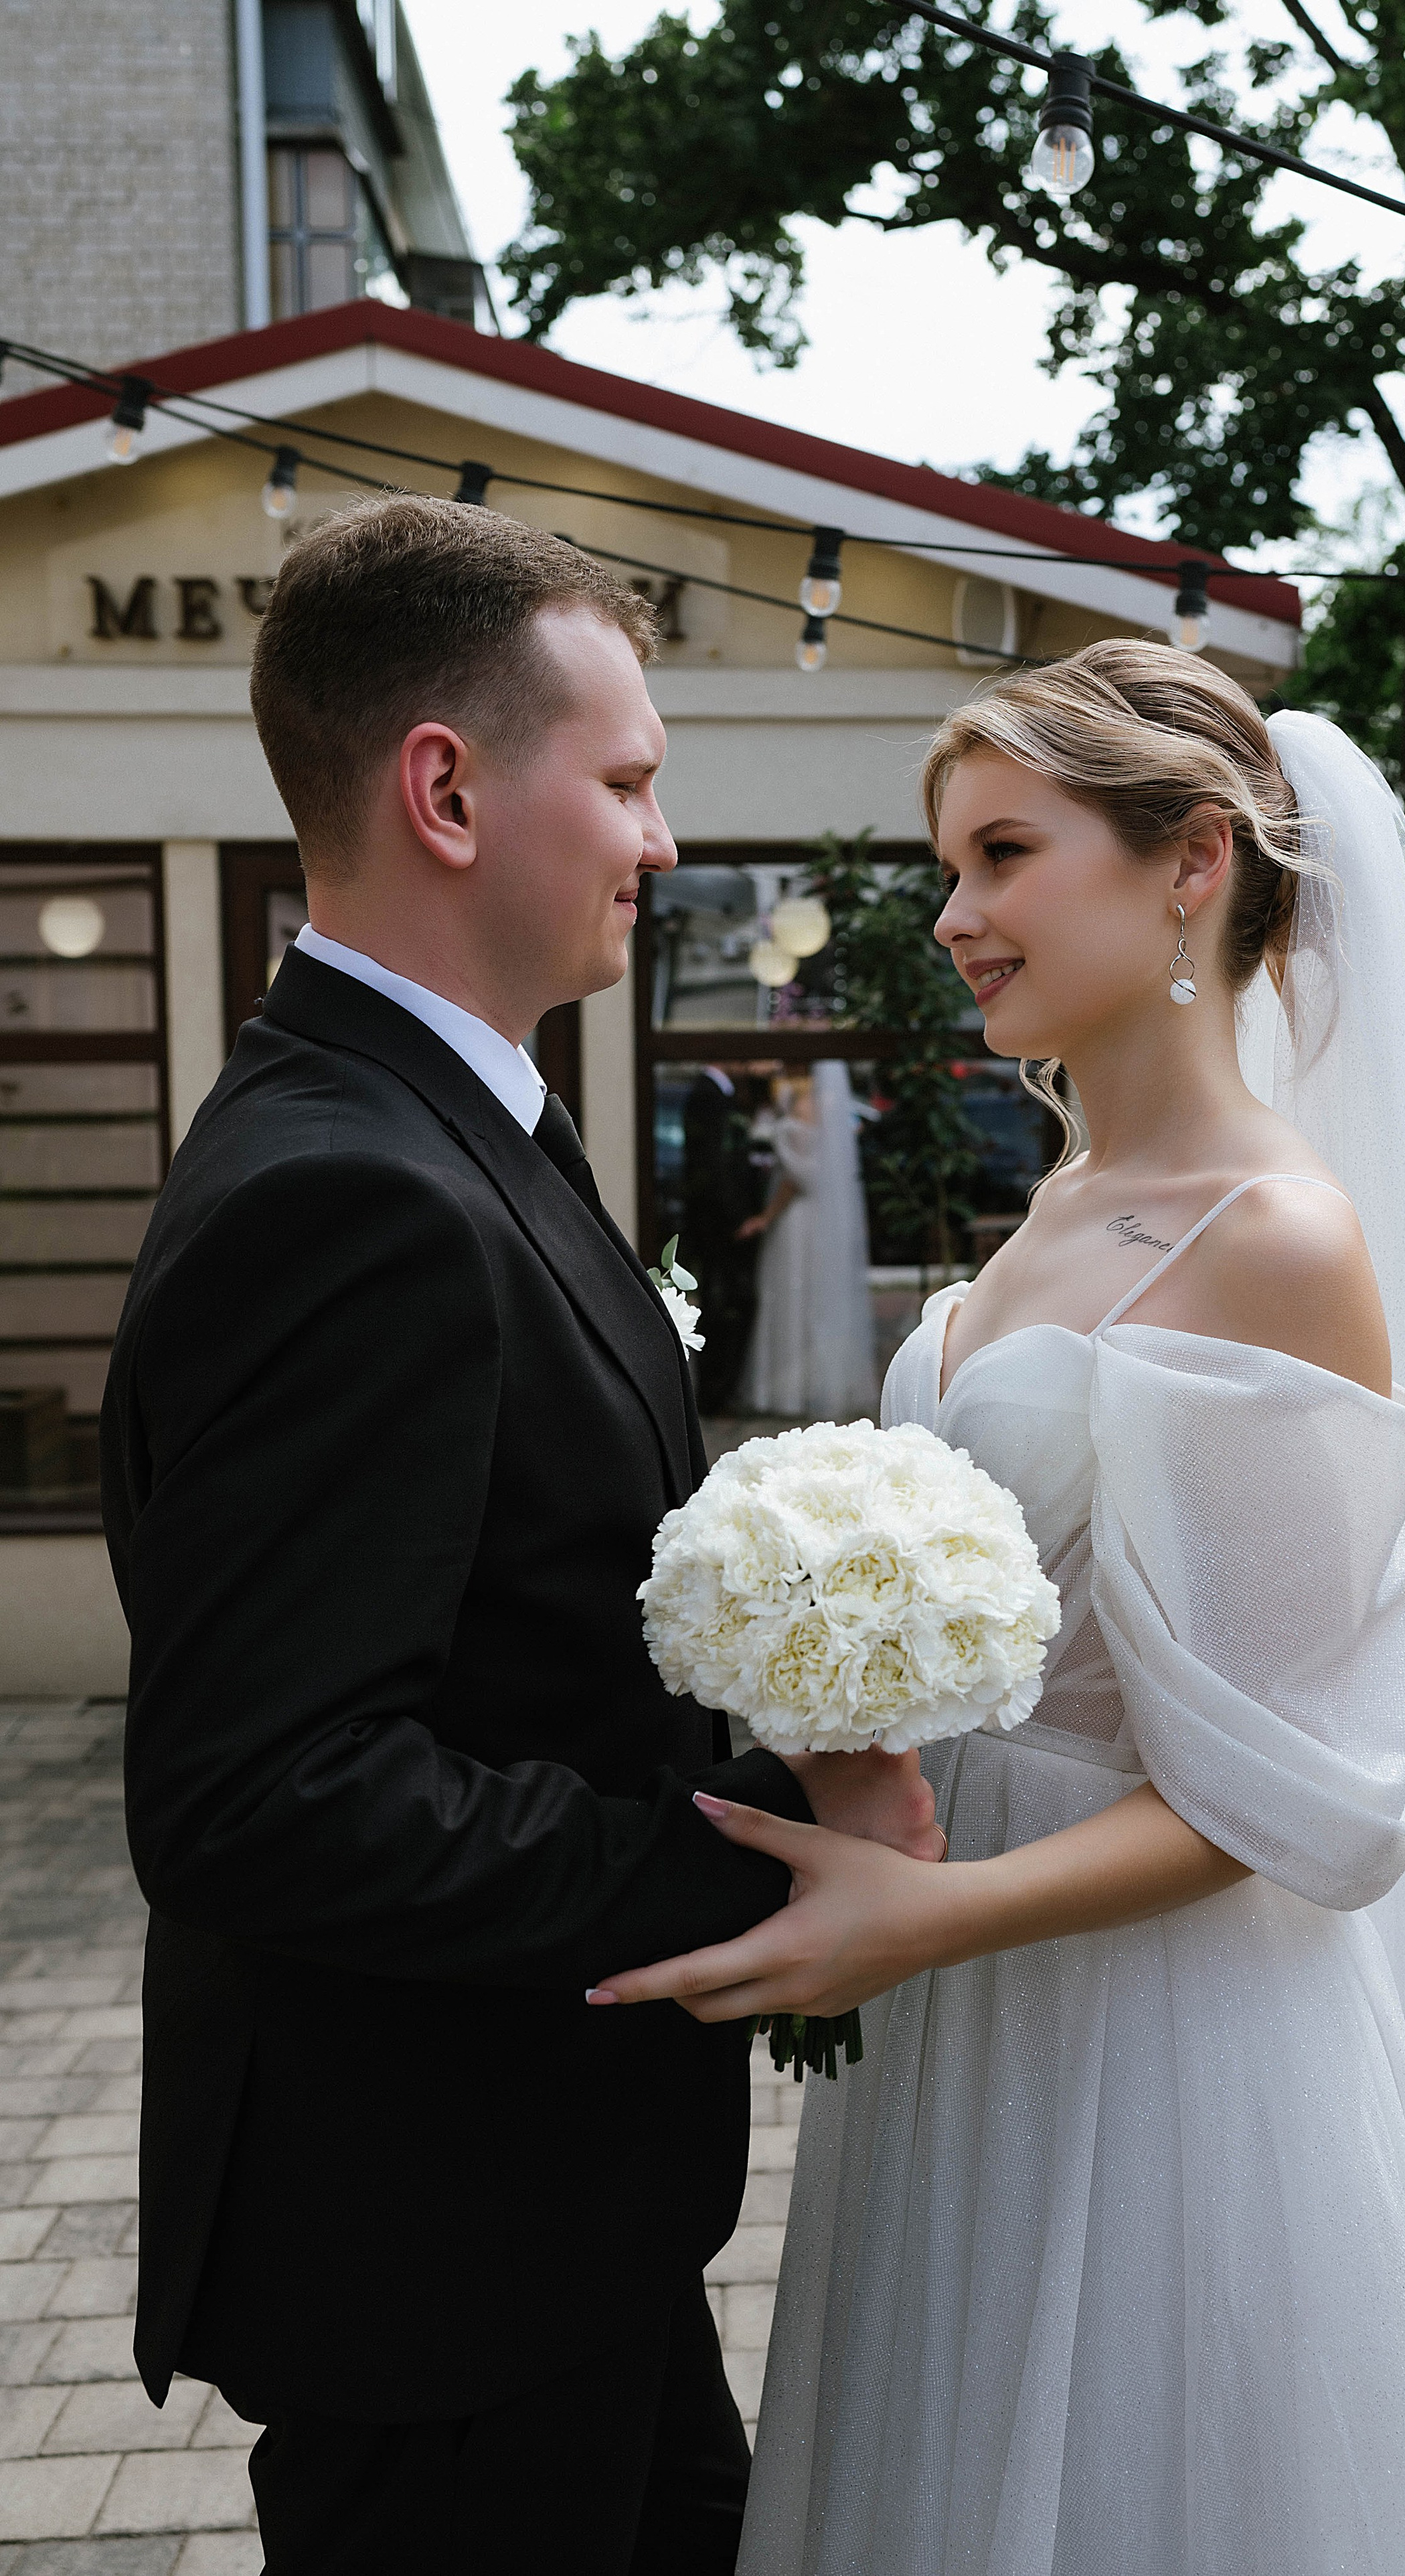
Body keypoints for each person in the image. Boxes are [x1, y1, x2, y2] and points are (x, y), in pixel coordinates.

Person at [588, 643, 1405, 2574]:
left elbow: (1289, 1791)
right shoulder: (1066, 1191)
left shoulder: (1270, 1235)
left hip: (1148, 2030)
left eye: (1004, 852)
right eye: (952, 865)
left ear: (1191, 861)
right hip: (949, 1989)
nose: (954, 914)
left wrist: (934, 1915)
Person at [100, 495, 937, 2574]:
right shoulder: (349, 1190)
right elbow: (264, 1795)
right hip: (433, 2245)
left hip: (554, 2207)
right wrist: (744, 1863)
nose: (660, 842)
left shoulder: (458, 1122)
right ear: (447, 787)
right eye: (634, 779)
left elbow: (523, 1604)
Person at [736, 1060, 879, 1419]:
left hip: (797, 1220)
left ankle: (786, 1391)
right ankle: (822, 1384)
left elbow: (794, 1179)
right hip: (823, 1220)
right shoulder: (835, 1116)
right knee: (819, 1298)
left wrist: (767, 1216)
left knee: (790, 1296)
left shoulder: (798, 1114)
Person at [679, 1063, 769, 1413]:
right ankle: (716, 1393)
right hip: (720, 1225)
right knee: (723, 1305)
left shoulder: (723, 1096)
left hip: (723, 1222)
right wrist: (736, 1219)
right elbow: (713, 1165)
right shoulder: (708, 1095)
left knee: (728, 1305)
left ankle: (720, 1391)